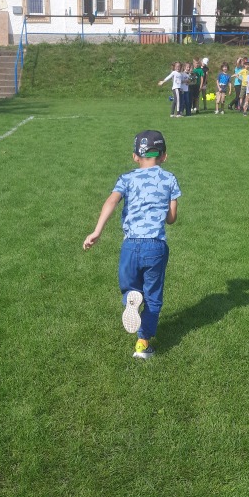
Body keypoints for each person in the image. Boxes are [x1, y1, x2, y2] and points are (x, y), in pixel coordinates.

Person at [82, 130, 181, 360]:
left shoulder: (126, 179)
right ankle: (142, 343)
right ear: (164, 156)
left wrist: (97, 231)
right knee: (153, 297)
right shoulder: (169, 179)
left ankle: (131, 299)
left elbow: (111, 201)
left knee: (131, 288)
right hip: (155, 246)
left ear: (135, 156)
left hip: (130, 245)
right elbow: (171, 218)